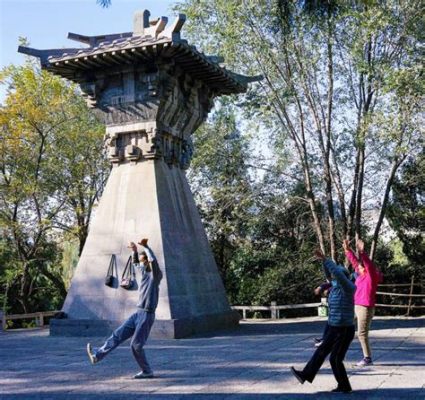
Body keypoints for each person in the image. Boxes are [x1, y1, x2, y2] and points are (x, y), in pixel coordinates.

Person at [86, 238, 162, 379]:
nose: (140, 263)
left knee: (136, 345)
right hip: (138, 313)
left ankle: (147, 371)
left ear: (147, 261)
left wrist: (146, 247)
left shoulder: (155, 276)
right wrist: (134, 251)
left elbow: (153, 261)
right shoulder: (144, 272)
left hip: (147, 315)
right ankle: (97, 355)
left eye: (142, 261)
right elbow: (135, 265)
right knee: (118, 335)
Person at [291, 248, 356, 393]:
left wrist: (326, 259)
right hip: (334, 328)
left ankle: (344, 386)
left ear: (343, 277)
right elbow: (330, 275)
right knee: (321, 352)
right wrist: (323, 262)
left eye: (336, 277)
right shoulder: (335, 288)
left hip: (344, 329)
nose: (333, 278)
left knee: (335, 359)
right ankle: (305, 375)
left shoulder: (348, 287)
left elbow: (338, 274)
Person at [344, 238, 383, 367]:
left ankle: (367, 358)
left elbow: (369, 265)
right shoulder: (361, 275)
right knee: (343, 323)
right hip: (357, 305)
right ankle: (329, 342)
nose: (358, 267)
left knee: (361, 333)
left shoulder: (370, 276)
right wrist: (347, 249)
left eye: (361, 266)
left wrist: (362, 252)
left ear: (365, 269)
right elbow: (354, 262)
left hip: (365, 308)